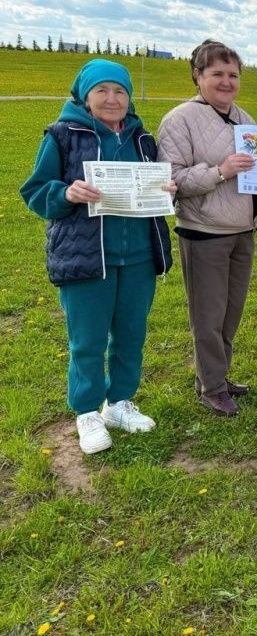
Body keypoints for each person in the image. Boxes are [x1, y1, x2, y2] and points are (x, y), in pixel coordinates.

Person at [21, 59, 174, 454]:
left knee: (131, 335)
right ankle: (87, 411)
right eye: (102, 90)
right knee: (87, 341)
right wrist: (66, 193)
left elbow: (153, 188)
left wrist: (164, 188)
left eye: (120, 91)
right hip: (87, 258)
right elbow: (35, 190)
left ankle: (119, 403)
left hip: (138, 256)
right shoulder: (62, 136)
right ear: (85, 96)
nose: (112, 99)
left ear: (129, 97)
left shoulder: (143, 139)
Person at [158, 40, 257, 417]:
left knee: (231, 312)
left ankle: (217, 376)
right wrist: (220, 171)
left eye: (233, 74)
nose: (226, 81)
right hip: (204, 231)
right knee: (208, 315)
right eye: (217, 73)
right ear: (198, 76)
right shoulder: (179, 119)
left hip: (243, 231)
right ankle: (212, 386)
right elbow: (173, 178)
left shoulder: (245, 119)